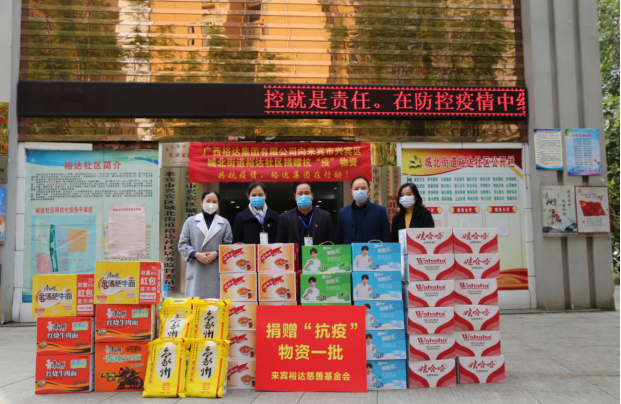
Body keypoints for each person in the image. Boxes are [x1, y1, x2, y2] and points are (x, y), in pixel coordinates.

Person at [178, 190, 232, 299]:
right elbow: (182, 244)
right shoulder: (190, 221)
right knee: (195, 305)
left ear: (218, 204)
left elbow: (229, 245)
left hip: (215, 270)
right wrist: (196, 254)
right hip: (196, 270)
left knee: (214, 306)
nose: (211, 204)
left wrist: (216, 253)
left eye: (214, 201)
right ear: (202, 203)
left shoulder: (224, 223)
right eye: (208, 201)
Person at [275, 182, 334, 249]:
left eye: (307, 193)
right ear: (295, 197)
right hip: (295, 255)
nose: (303, 196)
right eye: (300, 193)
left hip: (318, 255)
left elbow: (330, 243)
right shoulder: (284, 218)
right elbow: (280, 245)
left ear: (312, 196)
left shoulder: (325, 217)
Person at [336, 177, 391, 243]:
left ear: (369, 191)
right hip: (349, 249)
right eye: (356, 189)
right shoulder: (343, 212)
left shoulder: (380, 211)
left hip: (372, 249)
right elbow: (339, 239)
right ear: (351, 192)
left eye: (363, 188)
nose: (359, 191)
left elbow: (386, 237)